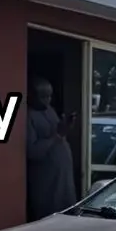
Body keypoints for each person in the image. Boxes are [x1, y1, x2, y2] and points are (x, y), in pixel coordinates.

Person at [26, 77, 77, 221]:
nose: (46, 100)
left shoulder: (50, 110)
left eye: (49, 96)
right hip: (46, 179)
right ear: (31, 95)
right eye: (42, 96)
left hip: (63, 175)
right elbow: (32, 150)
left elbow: (59, 134)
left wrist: (66, 127)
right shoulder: (28, 116)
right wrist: (57, 135)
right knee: (50, 217)